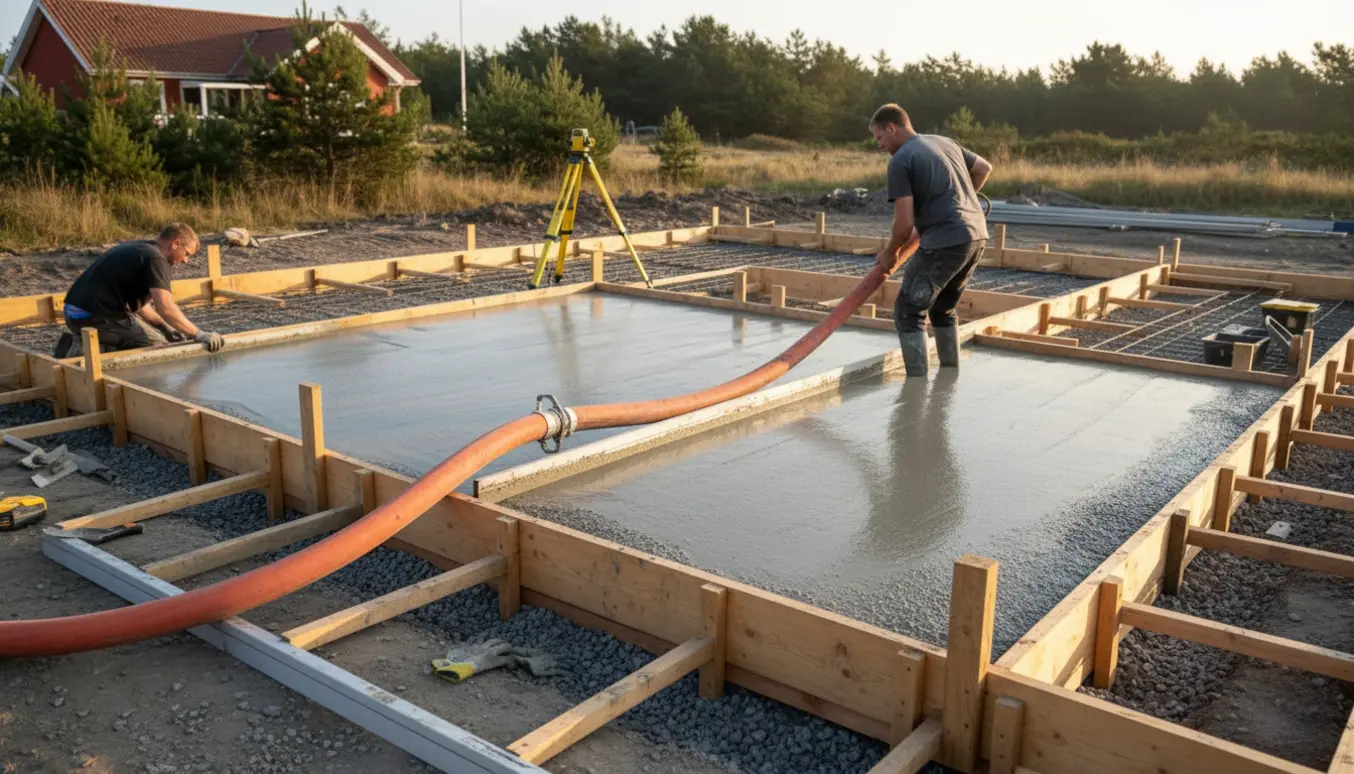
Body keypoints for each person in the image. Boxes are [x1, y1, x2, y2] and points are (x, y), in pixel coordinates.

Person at [870, 103, 993, 377]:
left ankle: (917, 388)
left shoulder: (901, 160)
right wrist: (960, 201)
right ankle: (950, 375)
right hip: (976, 236)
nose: (879, 145)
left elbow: (904, 225)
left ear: (892, 127)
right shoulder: (943, 142)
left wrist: (890, 253)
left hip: (945, 241)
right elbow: (984, 168)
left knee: (908, 311)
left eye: (879, 137)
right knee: (943, 308)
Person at [54, 223, 225, 358]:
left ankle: (86, 342)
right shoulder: (157, 259)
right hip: (94, 318)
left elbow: (141, 306)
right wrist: (199, 334)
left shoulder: (142, 250)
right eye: (186, 253)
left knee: (156, 337)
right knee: (155, 349)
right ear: (176, 244)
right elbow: (166, 307)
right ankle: (81, 350)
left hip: (76, 314)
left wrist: (165, 328)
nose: (186, 260)